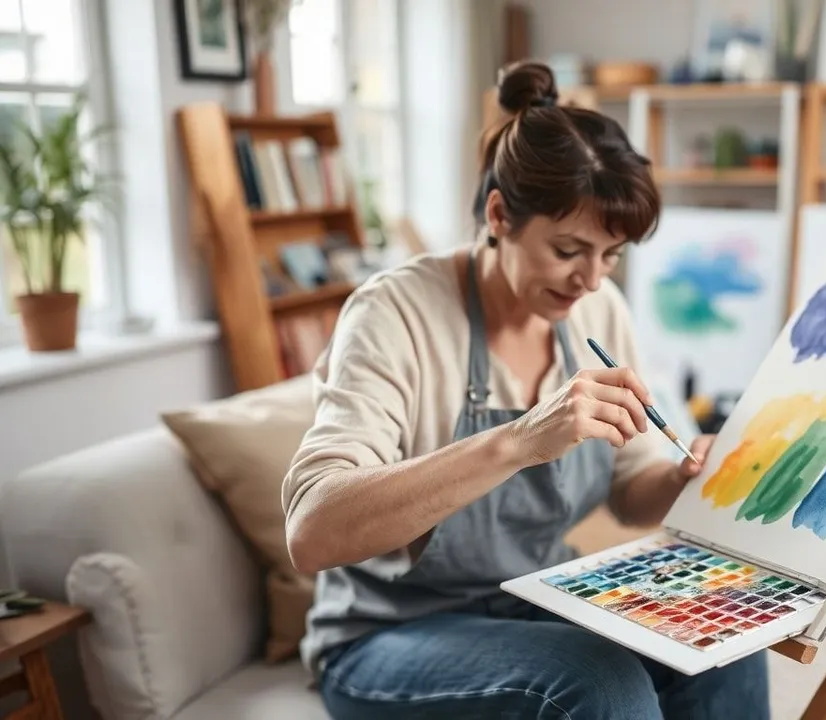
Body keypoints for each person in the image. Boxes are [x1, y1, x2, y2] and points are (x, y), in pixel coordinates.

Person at [282, 60, 771, 720]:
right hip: (383, 634)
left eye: (611, 255)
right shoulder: (394, 313)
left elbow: (630, 489)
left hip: (537, 597)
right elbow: (312, 532)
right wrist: (516, 441)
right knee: (596, 682)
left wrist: (684, 479)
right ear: (499, 215)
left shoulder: (599, 313)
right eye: (569, 250)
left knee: (720, 641)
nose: (591, 280)